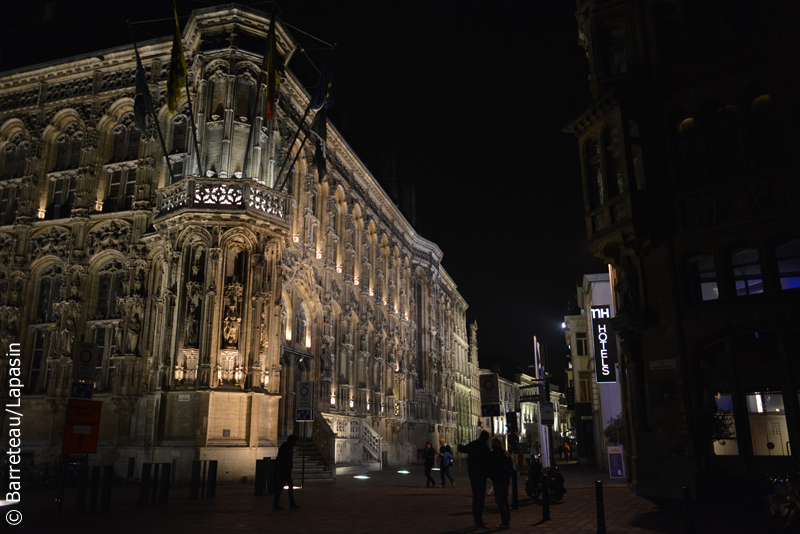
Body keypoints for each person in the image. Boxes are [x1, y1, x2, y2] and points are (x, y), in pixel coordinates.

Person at [458, 430, 491, 529]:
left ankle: (476, 519)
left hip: (472, 474)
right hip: (481, 475)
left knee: (475, 497)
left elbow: (462, 449)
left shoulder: (473, 444)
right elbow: (488, 462)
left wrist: (459, 444)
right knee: (480, 498)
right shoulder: (485, 448)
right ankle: (478, 520)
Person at [489, 436, 514, 530]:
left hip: (498, 480)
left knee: (499, 501)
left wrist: (492, 476)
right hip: (505, 480)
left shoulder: (494, 454)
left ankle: (505, 521)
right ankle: (507, 519)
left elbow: (491, 467)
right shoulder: (505, 453)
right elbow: (510, 467)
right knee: (505, 500)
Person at [273, 434, 300, 510]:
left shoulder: (289, 448)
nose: (295, 444)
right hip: (283, 471)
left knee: (284, 487)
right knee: (282, 487)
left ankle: (290, 503)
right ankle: (278, 504)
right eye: (295, 442)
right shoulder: (285, 448)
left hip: (286, 470)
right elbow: (282, 460)